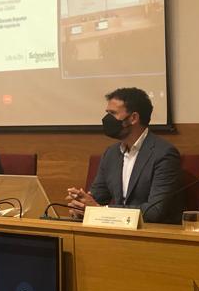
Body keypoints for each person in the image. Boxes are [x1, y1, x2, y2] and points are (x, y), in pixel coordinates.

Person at [67, 87, 183, 223]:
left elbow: (154, 211)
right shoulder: (111, 153)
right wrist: (81, 206)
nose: (107, 119)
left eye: (113, 113)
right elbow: (97, 199)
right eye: (107, 113)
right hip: (116, 230)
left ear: (133, 118)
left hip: (152, 231)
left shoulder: (164, 154)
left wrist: (102, 210)